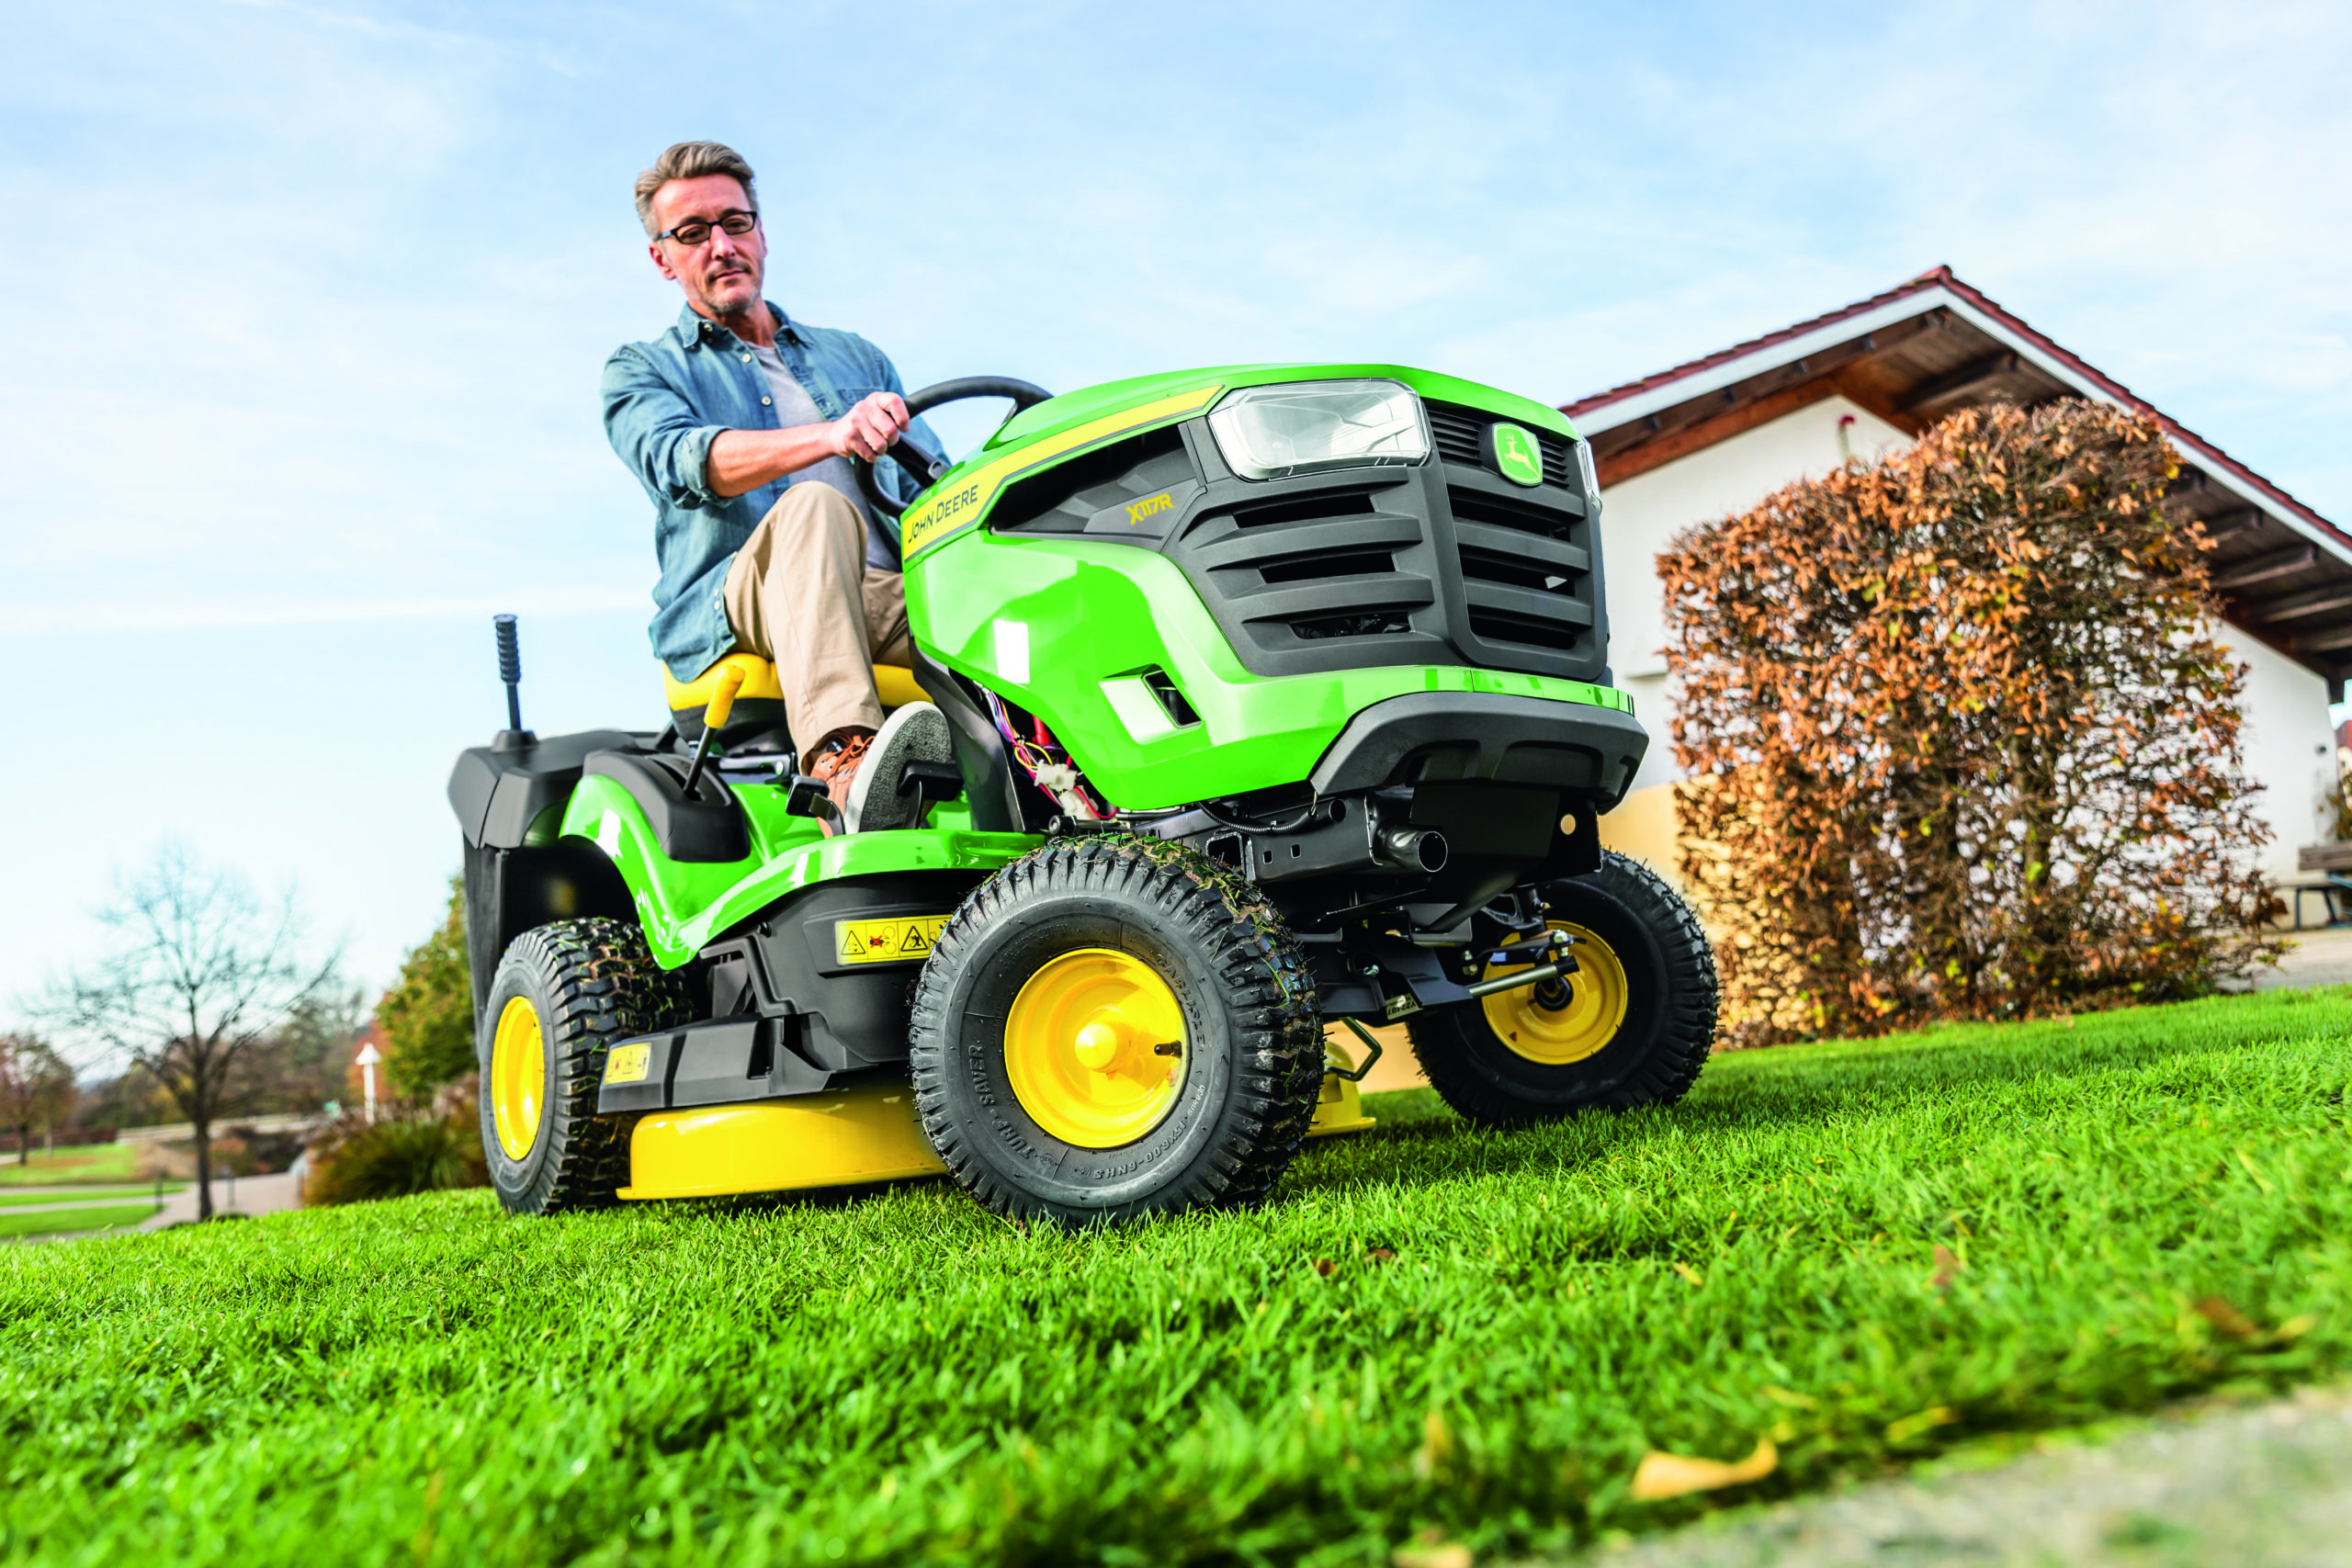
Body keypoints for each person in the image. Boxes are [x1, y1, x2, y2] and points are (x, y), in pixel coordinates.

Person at [602, 140, 951, 832]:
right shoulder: (642, 369)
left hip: (882, 597)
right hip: (740, 601)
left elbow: (934, 485)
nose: (721, 245)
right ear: (661, 257)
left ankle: (1099, 793)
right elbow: (686, 460)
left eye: (735, 223)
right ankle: (844, 772)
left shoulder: (854, 355)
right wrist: (829, 435)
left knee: (1020, 585)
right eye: (693, 233)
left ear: (760, 231)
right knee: (812, 506)